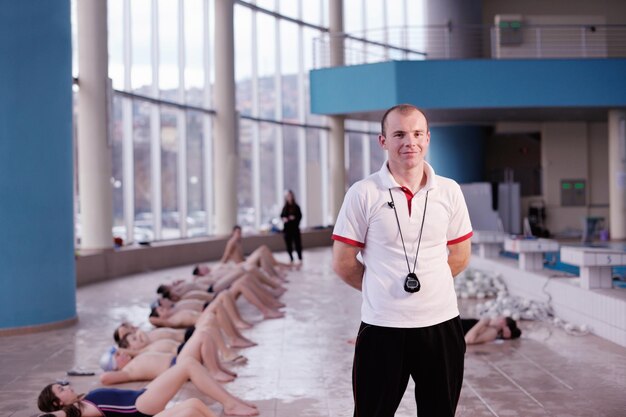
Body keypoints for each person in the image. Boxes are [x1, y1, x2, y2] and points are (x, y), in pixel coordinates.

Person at [332, 104, 473, 417]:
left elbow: (461, 255)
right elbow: (343, 263)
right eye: (399, 134)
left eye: (417, 133)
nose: (410, 141)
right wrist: (382, 289)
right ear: (383, 141)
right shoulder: (363, 193)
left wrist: (428, 288)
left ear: (427, 139)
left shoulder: (449, 191)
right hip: (383, 326)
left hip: (441, 325)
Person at [37, 356, 259, 416]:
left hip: (141, 396)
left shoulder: (81, 403)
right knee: (188, 367)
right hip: (139, 406)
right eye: (61, 389)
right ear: (57, 403)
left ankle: (232, 402)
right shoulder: (74, 412)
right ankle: (230, 405)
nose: (66, 387)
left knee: (189, 364)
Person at [280, 190, 303, 264]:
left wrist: (294, 218)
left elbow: (299, 216)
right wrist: (284, 219)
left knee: (297, 244)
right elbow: (281, 216)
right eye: (288, 196)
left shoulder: (296, 207)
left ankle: (300, 258)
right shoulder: (285, 207)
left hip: (295, 228)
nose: (289, 197)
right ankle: (291, 258)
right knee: (288, 244)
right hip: (287, 229)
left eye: (290, 196)